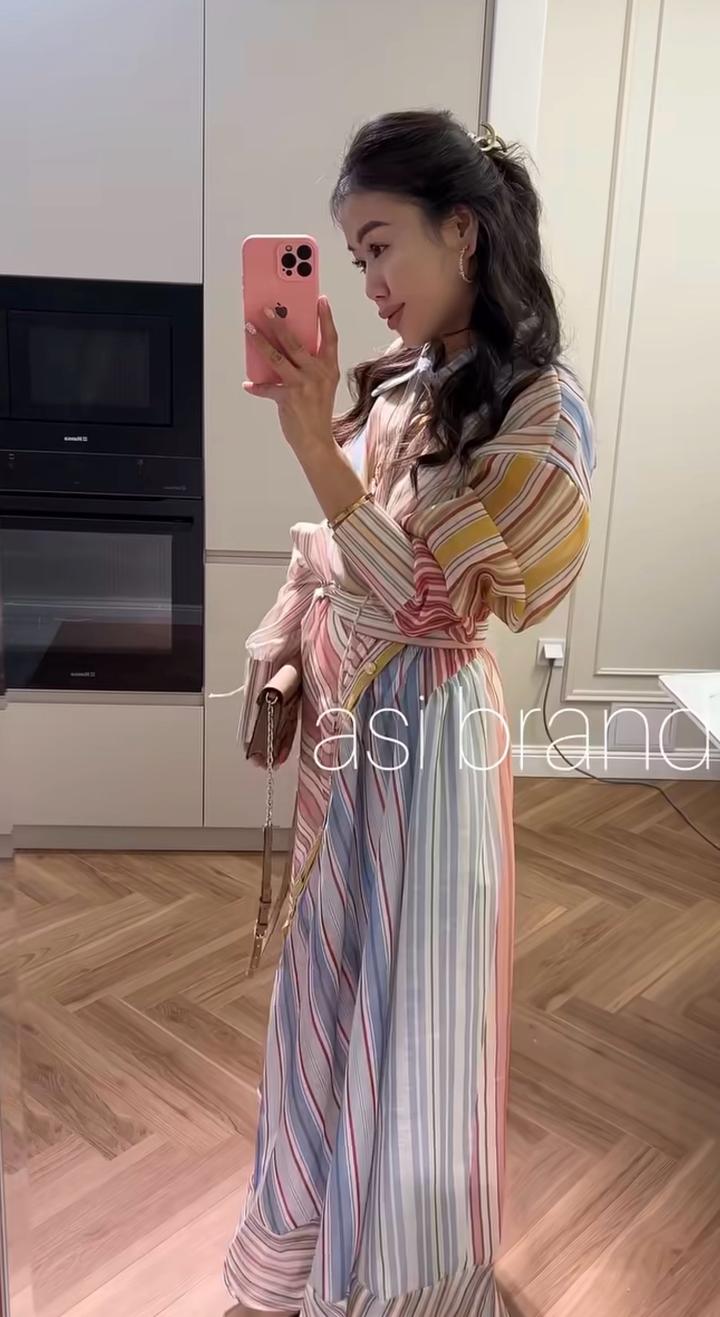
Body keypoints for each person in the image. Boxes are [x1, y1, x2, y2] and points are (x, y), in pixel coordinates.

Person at [224, 109, 595, 1317]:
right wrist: (286, 649)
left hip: (431, 743)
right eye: (353, 256)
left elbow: (435, 599)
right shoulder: (398, 385)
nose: (370, 282)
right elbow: (332, 556)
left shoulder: (543, 414)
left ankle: (399, 1284)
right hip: (350, 733)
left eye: (382, 246)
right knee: (327, 992)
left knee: (417, 1011)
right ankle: (305, 1258)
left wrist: (310, 445)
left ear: (463, 231)